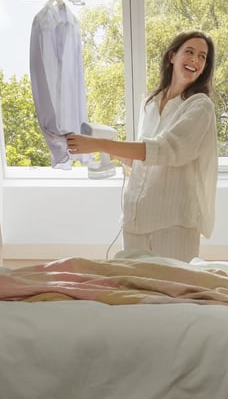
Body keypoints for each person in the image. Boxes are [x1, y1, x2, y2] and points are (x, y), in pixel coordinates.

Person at [65, 31, 218, 263]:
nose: (196, 60)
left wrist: (99, 144)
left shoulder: (199, 106)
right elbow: (141, 158)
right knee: (136, 294)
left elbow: (167, 150)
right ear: (172, 57)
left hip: (173, 220)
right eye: (190, 52)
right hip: (136, 216)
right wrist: (102, 148)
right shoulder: (150, 102)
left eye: (202, 57)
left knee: (171, 293)